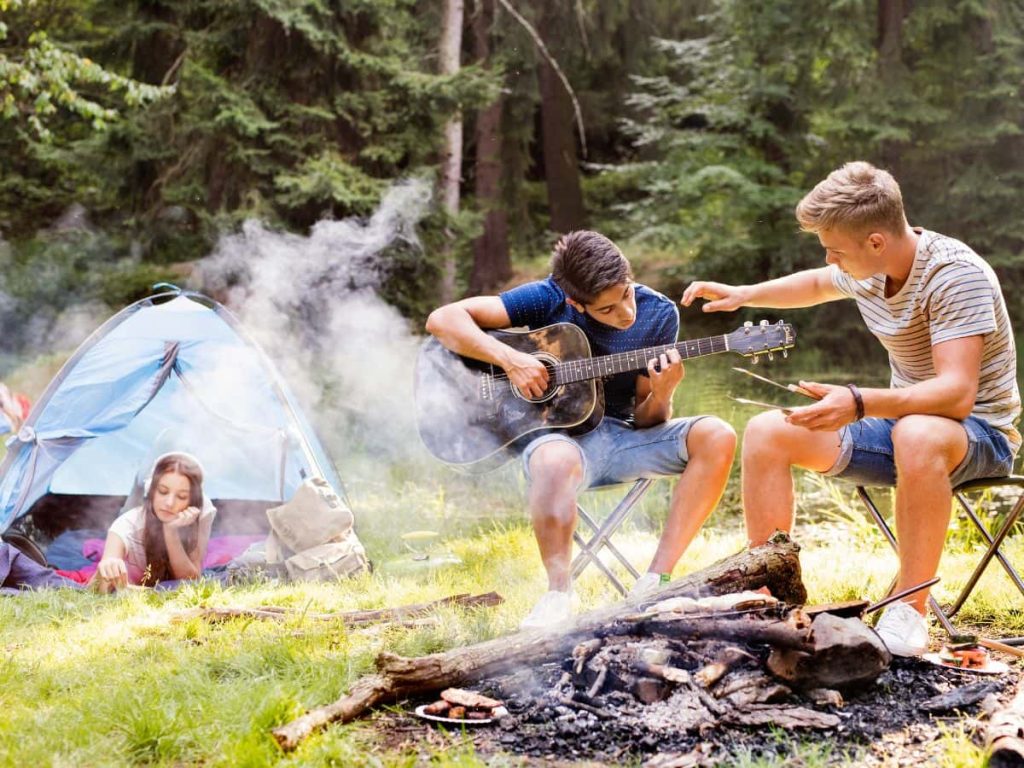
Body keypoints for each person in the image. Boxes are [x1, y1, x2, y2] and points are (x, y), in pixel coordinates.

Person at [681, 161, 1020, 656]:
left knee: (918, 434)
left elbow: (955, 395)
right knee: (767, 431)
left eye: (835, 248)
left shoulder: (955, 275)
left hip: (978, 435)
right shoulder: (867, 268)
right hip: (903, 427)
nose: (830, 258)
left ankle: (909, 611)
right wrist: (745, 295)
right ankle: (770, 601)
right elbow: (818, 284)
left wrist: (859, 402)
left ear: (876, 241)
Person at [426, 230, 737, 628]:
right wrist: (509, 359)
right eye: (607, 310)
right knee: (554, 459)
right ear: (575, 301)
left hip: (624, 437)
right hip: (560, 443)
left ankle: (654, 583)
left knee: (718, 434)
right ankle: (558, 594)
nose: (625, 313)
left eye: (626, 294)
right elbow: (442, 319)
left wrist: (663, 392)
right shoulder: (548, 298)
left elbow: (648, 420)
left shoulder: (658, 314)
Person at [93, 452, 216, 591]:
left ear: (192, 501)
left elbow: (192, 580)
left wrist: (170, 531)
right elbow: (101, 587)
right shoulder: (126, 526)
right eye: (163, 492)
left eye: (181, 496)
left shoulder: (199, 515)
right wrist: (108, 566)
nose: (169, 503)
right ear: (152, 491)